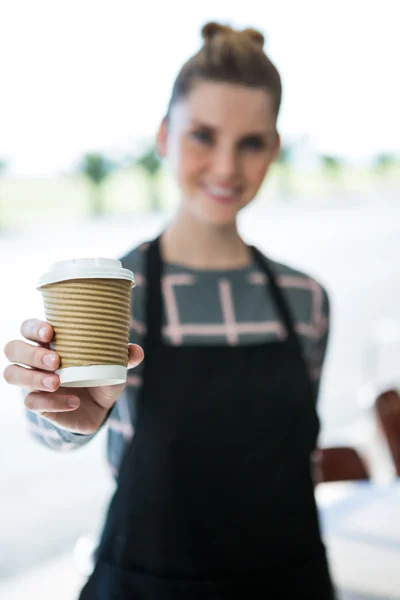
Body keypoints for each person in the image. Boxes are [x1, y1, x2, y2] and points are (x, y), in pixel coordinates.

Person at [3, 21, 335, 599]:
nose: (227, 167)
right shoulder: (110, 294)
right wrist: (59, 413)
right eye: (202, 136)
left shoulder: (307, 301)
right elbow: (53, 429)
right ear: (163, 136)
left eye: (251, 142)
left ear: (274, 150)